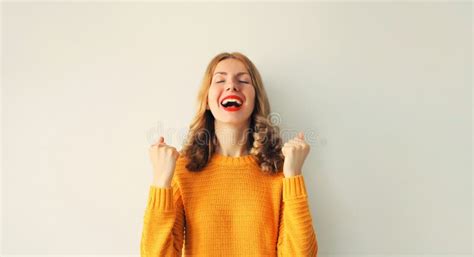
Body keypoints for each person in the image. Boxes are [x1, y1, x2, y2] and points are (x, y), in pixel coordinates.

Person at [140, 52, 318, 256]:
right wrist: (161, 182)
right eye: (220, 80)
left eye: (243, 80)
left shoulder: (281, 171)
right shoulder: (182, 170)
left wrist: (294, 176)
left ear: (256, 99)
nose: (232, 86)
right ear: (207, 100)